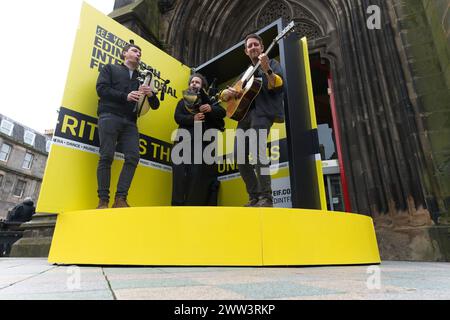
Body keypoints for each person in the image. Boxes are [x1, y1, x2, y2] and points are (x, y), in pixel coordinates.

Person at [220, 34, 284, 207]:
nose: (253, 47)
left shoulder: (272, 64)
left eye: (256, 44)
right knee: (239, 156)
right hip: (245, 116)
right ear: (246, 51)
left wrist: (267, 69)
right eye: (250, 46)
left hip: (262, 114)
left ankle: (266, 197)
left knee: (257, 153)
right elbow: (226, 95)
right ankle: (254, 196)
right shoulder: (246, 72)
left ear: (262, 47)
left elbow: (277, 85)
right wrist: (230, 93)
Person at [96, 43, 160, 209]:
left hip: (131, 122)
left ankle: (120, 199)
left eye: (140, 52)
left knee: (133, 157)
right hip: (109, 116)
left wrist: (150, 93)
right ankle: (103, 201)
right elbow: (101, 89)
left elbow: (155, 105)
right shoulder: (110, 68)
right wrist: (126, 96)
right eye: (134, 51)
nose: (138, 54)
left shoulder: (143, 78)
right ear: (124, 53)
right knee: (106, 156)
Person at [171, 73, 226, 206]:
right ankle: (177, 205)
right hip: (183, 141)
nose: (194, 84)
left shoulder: (209, 101)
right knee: (179, 174)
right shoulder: (182, 101)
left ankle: (192, 205)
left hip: (201, 144)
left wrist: (210, 108)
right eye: (192, 82)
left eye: (197, 82)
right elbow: (177, 117)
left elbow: (222, 113)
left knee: (196, 176)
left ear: (203, 87)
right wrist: (192, 118)